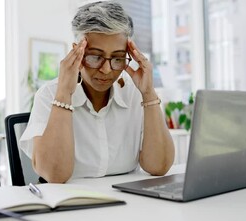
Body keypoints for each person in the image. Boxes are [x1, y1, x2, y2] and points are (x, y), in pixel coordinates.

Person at [20, 1, 175, 183]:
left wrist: (148, 94)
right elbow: (54, 174)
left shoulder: (135, 94)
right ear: (77, 52)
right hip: (71, 206)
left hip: (129, 205)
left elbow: (159, 166)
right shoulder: (49, 95)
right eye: (95, 57)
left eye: (117, 58)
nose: (107, 70)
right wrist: (63, 94)